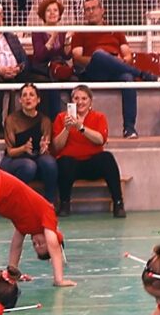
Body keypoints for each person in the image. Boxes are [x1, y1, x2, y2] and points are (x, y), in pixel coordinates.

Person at [50, 83, 125, 217]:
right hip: (71, 165)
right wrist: (67, 129)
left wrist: (81, 127)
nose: (80, 102)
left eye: (84, 99)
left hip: (92, 163)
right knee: (64, 162)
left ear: (90, 101)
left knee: (107, 158)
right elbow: (56, 147)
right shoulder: (61, 118)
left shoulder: (99, 117)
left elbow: (100, 139)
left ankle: (118, 203)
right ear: (71, 101)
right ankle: (64, 204)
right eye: (76, 98)